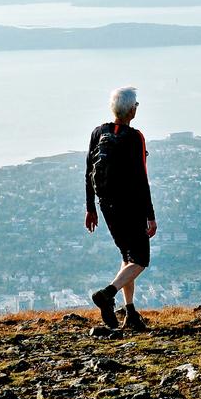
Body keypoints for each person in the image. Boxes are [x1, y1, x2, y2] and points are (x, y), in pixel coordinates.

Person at [85, 86, 157, 330]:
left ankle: (130, 311)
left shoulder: (98, 132)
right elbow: (141, 178)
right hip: (131, 206)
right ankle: (108, 293)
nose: (137, 108)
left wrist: (91, 208)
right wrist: (151, 216)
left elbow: (89, 172)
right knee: (141, 260)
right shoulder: (135, 137)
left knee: (127, 257)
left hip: (106, 206)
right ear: (130, 110)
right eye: (136, 104)